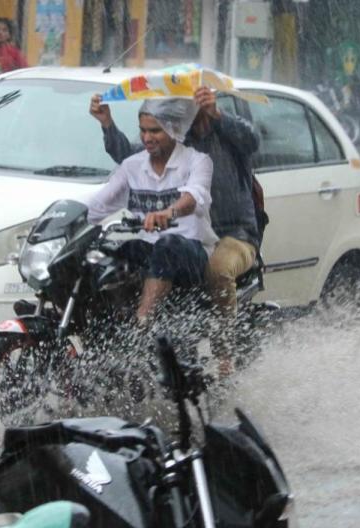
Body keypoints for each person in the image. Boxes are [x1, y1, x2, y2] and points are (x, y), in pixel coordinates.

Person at [89, 86, 260, 377]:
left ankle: (223, 354)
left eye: (189, 107)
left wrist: (217, 113)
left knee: (218, 270)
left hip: (233, 233)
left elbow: (252, 140)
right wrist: (108, 124)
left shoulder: (222, 139)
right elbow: (131, 157)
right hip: (182, 233)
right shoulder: (173, 143)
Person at [86, 98, 217, 328]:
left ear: (174, 129)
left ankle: (142, 323)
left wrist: (169, 213)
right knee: (110, 253)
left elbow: (194, 196)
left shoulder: (198, 161)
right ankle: (108, 325)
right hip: (149, 247)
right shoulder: (131, 166)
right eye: (143, 131)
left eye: (155, 131)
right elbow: (98, 204)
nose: (147, 138)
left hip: (190, 253)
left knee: (167, 246)